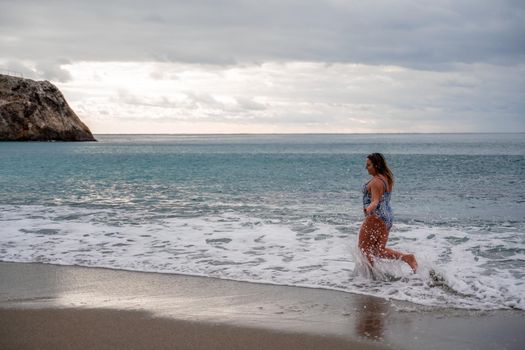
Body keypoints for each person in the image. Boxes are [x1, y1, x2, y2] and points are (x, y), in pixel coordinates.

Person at [358, 153, 418, 273]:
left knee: (364, 248)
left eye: (369, 165)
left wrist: (368, 209)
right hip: (387, 216)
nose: (366, 168)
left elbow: (375, 201)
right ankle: (407, 258)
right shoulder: (386, 178)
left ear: (376, 165)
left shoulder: (376, 182)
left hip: (375, 217)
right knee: (378, 250)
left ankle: (370, 276)